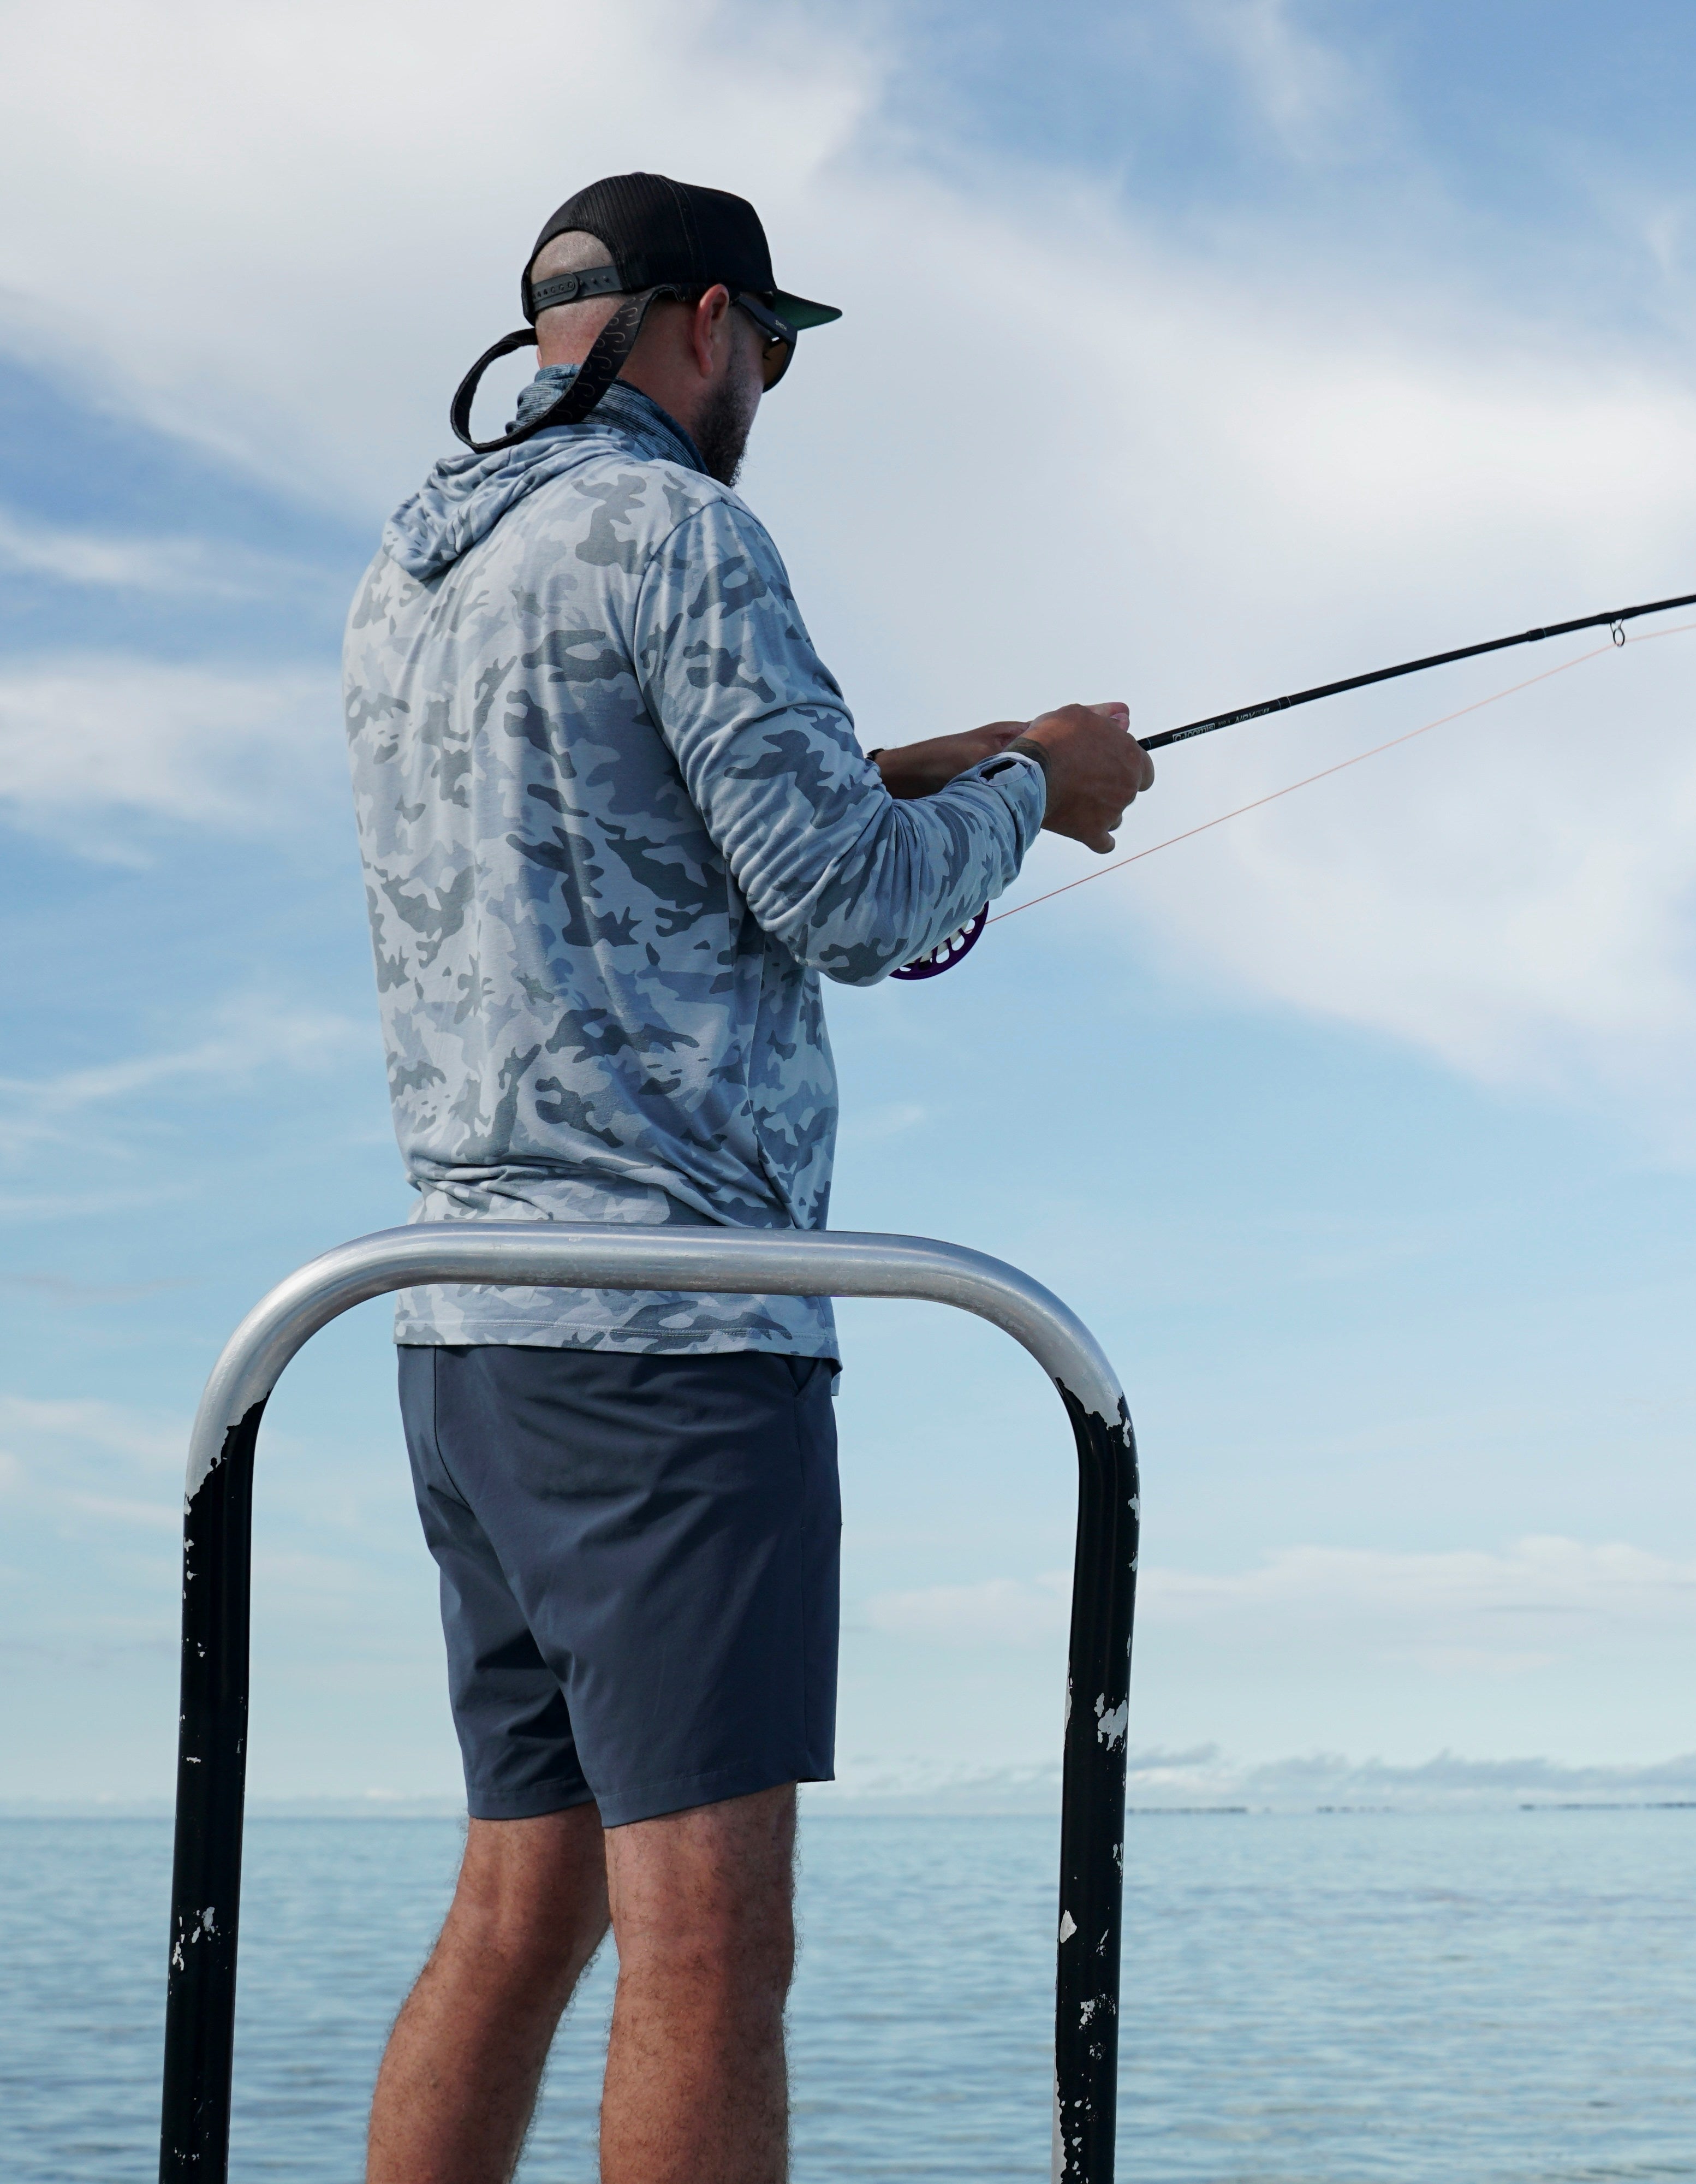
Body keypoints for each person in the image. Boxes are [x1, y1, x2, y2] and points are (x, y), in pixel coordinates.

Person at [338, 172, 1151, 2183]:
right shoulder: (684, 531)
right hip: (671, 1357)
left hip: (465, 1339)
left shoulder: (412, 574)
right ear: (706, 322)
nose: (768, 384)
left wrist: (916, 757)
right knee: (709, 1945)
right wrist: (1041, 791)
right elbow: (845, 903)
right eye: (770, 349)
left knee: (524, 1915)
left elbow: (610, 829)